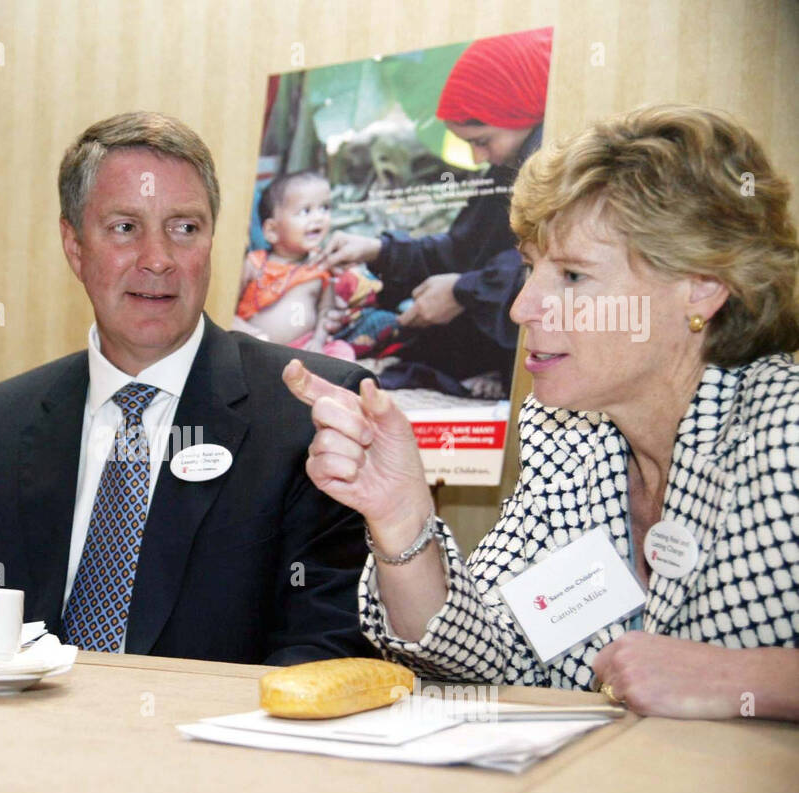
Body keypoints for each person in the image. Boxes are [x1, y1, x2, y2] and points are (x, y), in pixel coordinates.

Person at [285, 104, 799, 720]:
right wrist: (401, 515)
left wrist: (754, 677)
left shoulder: (784, 426)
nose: (523, 307)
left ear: (703, 286)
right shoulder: (566, 435)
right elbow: (486, 657)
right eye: (531, 270)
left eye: (574, 276)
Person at [0, 112, 377, 665]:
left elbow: (325, 653)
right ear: (74, 247)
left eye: (184, 227)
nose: (159, 260)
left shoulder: (311, 410)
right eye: (125, 228)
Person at [311, 26, 553, 399]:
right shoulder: (512, 167)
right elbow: (462, 250)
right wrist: (378, 250)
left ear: (524, 108)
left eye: (482, 141)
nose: (476, 158)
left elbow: (547, 267)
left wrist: (462, 292)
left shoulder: (557, 169)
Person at [233, 170, 361, 361]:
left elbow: (325, 312)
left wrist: (318, 342)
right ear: (272, 230)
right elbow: (226, 308)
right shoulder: (255, 263)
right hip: (256, 348)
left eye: (325, 208)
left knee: (342, 352)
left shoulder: (321, 265)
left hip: (303, 350)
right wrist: (246, 332)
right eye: (305, 211)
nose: (318, 218)